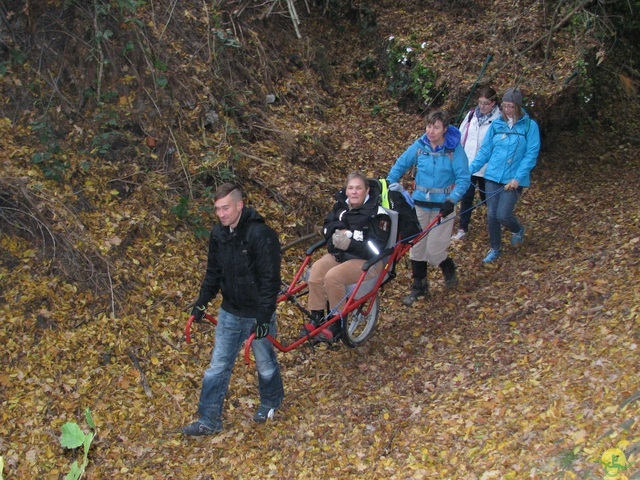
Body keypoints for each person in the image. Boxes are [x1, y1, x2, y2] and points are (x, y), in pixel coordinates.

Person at [182, 183, 284, 436]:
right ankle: (208, 419)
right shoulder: (219, 234)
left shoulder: (261, 235)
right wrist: (202, 302)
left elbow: (270, 279)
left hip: (256, 312)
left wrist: (263, 317)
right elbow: (213, 273)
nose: (221, 214)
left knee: (264, 362)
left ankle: (271, 401)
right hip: (230, 311)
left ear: (240, 205)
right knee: (218, 365)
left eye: (225, 208)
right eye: (217, 209)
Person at [387, 110, 470, 306]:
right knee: (416, 246)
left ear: (445, 129)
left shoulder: (454, 150)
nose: (431, 131)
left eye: (436, 127)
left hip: (444, 206)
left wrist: (453, 199)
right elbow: (400, 165)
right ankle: (419, 288)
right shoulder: (419, 146)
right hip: (419, 205)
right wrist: (387, 185)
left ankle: (448, 266)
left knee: (434, 251)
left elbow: (464, 178)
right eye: (429, 126)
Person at [302, 172, 392, 343]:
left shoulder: (378, 215)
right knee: (315, 274)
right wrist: (340, 229)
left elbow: (376, 249)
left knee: (332, 277)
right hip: (340, 255)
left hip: (367, 261)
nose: (354, 192)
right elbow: (327, 226)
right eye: (350, 188)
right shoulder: (341, 208)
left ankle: (337, 323)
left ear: (367, 191)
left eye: (359, 188)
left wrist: (349, 243)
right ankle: (317, 316)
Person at [468, 86, 541, 263]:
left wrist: (517, 178)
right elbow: (485, 151)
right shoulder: (497, 125)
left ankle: (517, 230)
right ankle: (495, 248)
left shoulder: (529, 126)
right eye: (505, 106)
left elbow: (531, 154)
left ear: (518, 107)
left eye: (511, 106)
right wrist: (469, 170)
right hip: (492, 176)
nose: (507, 110)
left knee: (503, 214)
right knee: (492, 214)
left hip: (513, 179)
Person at [452, 86, 502, 241]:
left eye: (486, 103)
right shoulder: (471, 115)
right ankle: (462, 228)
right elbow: (461, 136)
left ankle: (495, 225)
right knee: (466, 197)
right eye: (480, 102)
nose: (482, 106)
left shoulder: (499, 120)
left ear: (493, 103)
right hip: (469, 164)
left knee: (487, 198)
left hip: (488, 168)